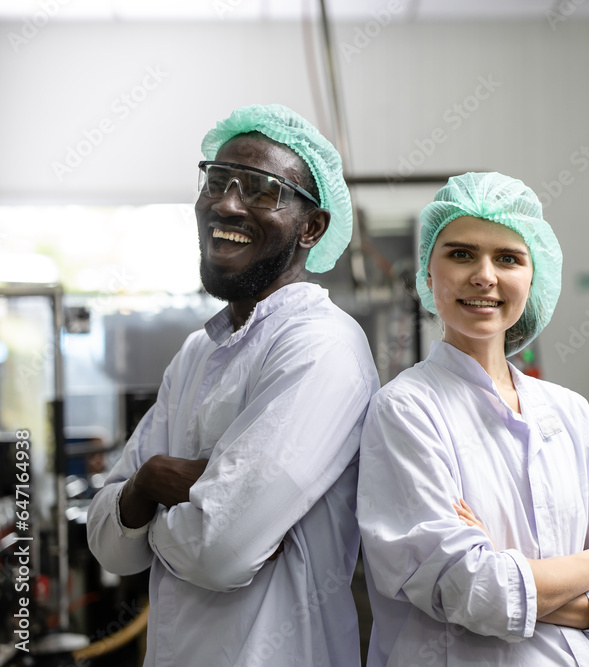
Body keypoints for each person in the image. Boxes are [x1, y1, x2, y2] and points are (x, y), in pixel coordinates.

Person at [87, 104, 379, 667]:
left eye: (263, 191)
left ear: (311, 227)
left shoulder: (322, 347)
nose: (226, 203)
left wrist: (152, 510)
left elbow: (219, 552)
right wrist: (153, 480)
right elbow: (109, 548)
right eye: (217, 182)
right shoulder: (198, 352)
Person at [357, 171, 589, 666]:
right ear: (426, 273)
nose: (485, 275)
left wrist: (519, 579)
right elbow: (477, 592)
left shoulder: (570, 414)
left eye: (507, 258)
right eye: (461, 253)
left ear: (534, 276)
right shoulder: (406, 410)